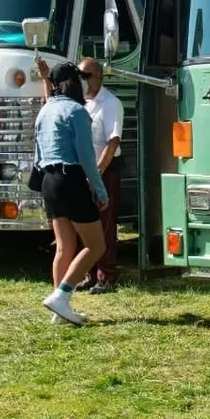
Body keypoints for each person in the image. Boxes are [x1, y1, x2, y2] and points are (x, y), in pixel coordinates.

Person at [33, 62, 109, 326]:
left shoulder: (45, 111)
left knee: (64, 247)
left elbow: (38, 153)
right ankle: (62, 297)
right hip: (71, 179)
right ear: (74, 82)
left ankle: (60, 311)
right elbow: (87, 157)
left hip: (49, 181)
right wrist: (100, 190)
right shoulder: (77, 111)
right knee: (96, 245)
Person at [75, 57, 124, 294]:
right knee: (85, 224)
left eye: (88, 75)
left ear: (100, 77)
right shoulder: (78, 103)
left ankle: (107, 275)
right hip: (82, 172)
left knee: (105, 224)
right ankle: (89, 273)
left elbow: (112, 142)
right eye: (80, 76)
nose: (83, 80)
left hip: (105, 170)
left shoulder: (110, 103)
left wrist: (98, 175)